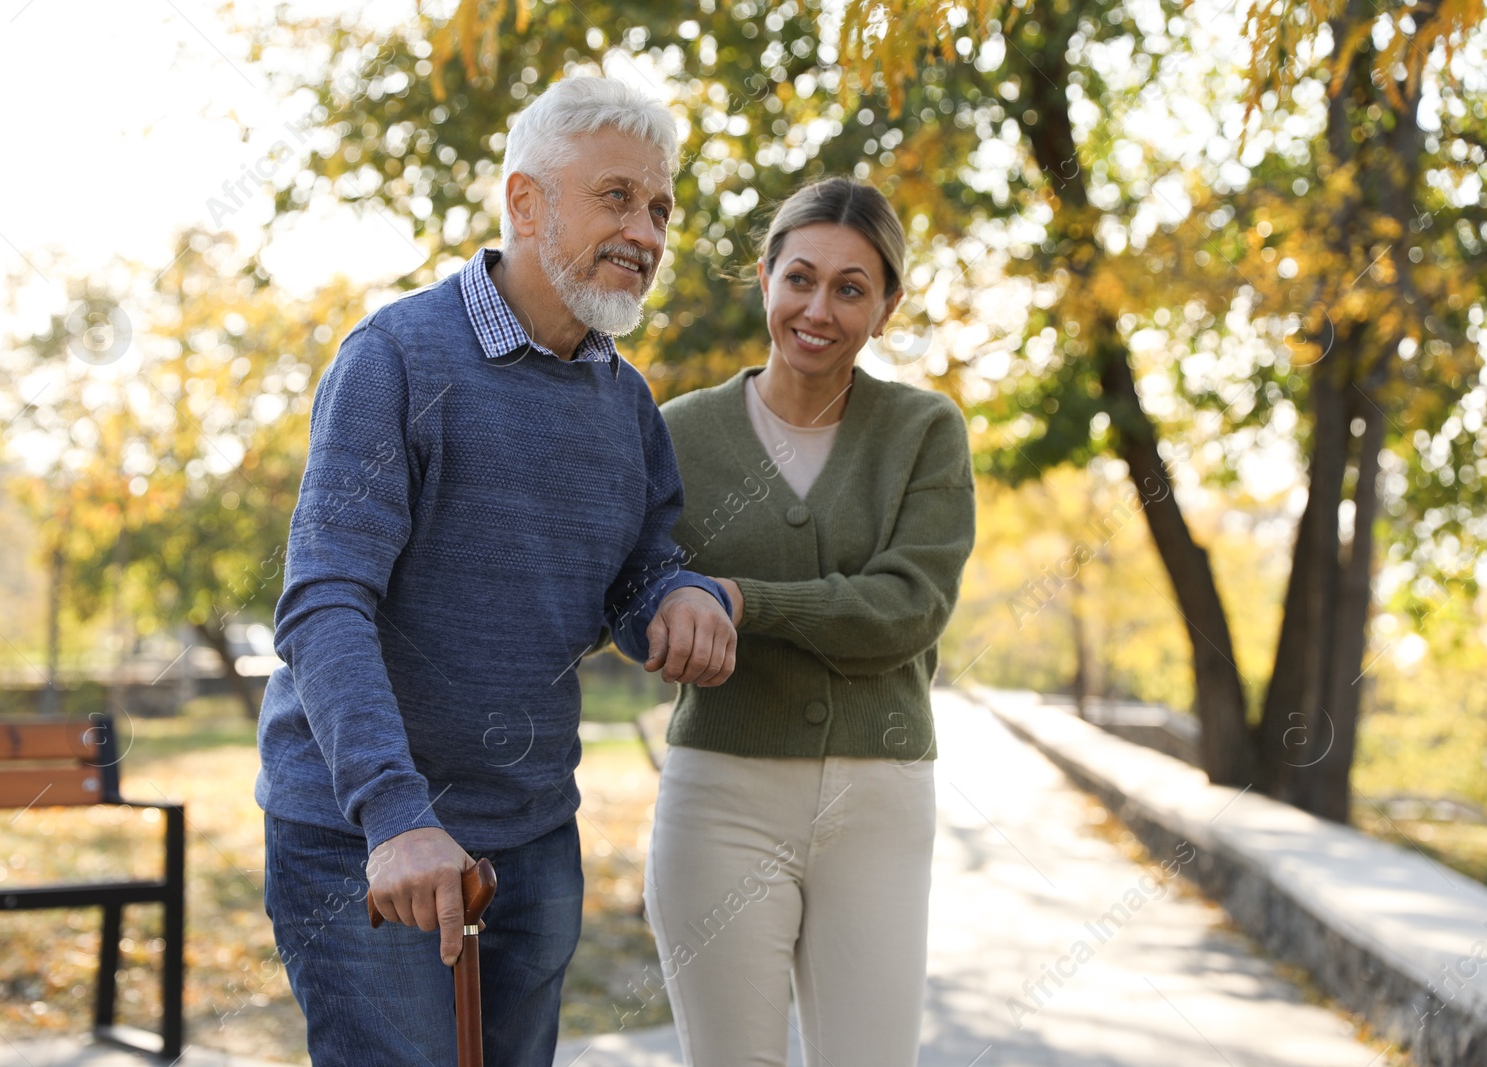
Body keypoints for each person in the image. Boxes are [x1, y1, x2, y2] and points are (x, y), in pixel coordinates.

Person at [255, 75, 737, 1067]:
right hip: (367, 837)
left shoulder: (626, 401)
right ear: (525, 202)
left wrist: (675, 594)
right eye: (616, 196)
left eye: (658, 209)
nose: (645, 232)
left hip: (530, 834)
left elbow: (635, 568)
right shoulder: (396, 359)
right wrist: (395, 816)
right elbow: (323, 605)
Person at [645, 177, 976, 1066]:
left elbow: (906, 610)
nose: (818, 308)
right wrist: (670, 612)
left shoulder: (922, 432)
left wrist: (743, 601)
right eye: (801, 277)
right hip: (720, 796)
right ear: (765, 279)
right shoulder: (677, 434)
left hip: (878, 800)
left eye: (851, 287)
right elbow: (632, 593)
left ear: (887, 306)